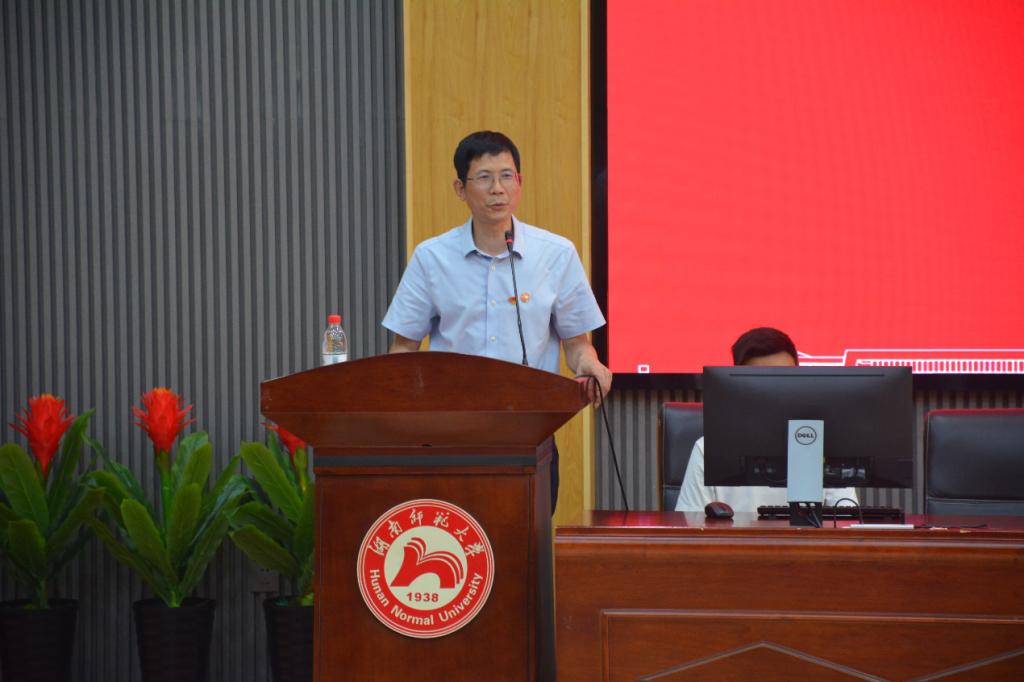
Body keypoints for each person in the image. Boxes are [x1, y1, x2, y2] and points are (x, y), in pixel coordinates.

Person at [382, 130, 613, 512]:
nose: (497, 189)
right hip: (450, 438)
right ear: (460, 188)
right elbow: (404, 349)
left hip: (530, 437)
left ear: (519, 182)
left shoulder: (556, 254)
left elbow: (577, 344)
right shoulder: (431, 257)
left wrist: (591, 365)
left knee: (527, 545)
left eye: (507, 176)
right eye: (484, 178)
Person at [674, 327, 858, 512]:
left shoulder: (824, 447)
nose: (774, 391)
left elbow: (847, 520)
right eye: (762, 381)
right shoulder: (708, 449)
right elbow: (690, 523)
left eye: (784, 379)